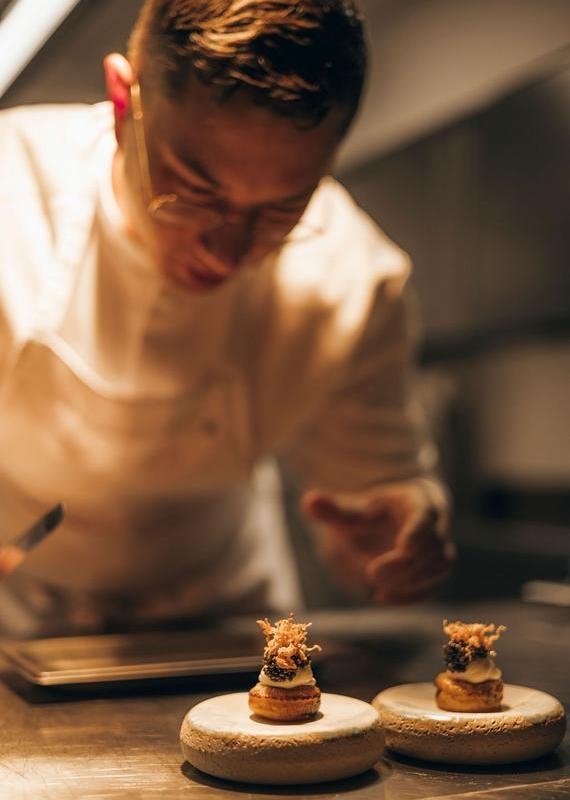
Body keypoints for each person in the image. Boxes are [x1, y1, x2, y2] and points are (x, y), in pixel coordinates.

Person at [0, 0, 453, 636]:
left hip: (225, 614)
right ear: (122, 102)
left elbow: (376, 504)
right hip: (19, 611)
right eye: (192, 191)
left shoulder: (352, 276)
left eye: (281, 210)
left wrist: (392, 544)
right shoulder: (9, 195)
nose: (229, 251)